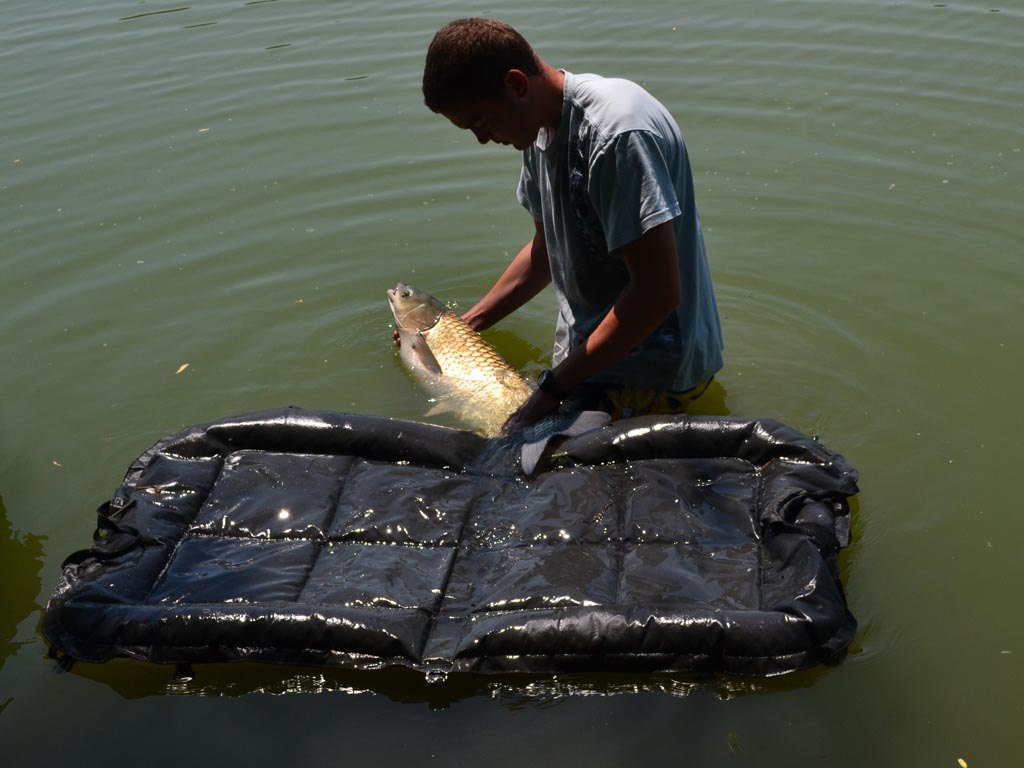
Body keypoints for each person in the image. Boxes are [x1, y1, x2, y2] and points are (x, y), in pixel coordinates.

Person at [421, 17, 724, 431]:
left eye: (482, 122)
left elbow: (657, 293)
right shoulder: (537, 128)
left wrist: (551, 389)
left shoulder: (617, 135)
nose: (482, 139)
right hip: (587, 365)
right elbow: (546, 253)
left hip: (653, 371)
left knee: (541, 477)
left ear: (516, 84)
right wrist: (463, 328)